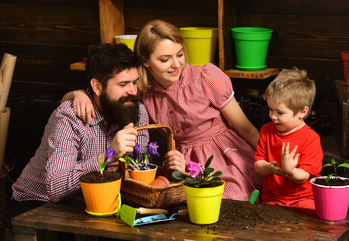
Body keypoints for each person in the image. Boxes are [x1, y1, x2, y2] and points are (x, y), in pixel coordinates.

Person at [64, 19, 262, 201]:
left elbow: (246, 128)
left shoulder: (205, 77)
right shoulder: (142, 90)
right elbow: (66, 103)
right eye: (165, 59)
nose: (176, 64)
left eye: (180, 54)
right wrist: (79, 93)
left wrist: (274, 163)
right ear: (146, 62)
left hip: (225, 158)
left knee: (228, 200)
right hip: (178, 164)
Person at [9, 43, 150, 221]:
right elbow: (56, 188)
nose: (133, 91)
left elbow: (137, 170)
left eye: (134, 82)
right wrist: (108, 155)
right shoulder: (69, 117)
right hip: (38, 203)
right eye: (123, 84)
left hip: (95, 201)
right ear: (97, 87)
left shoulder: (137, 111)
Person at [254, 68, 323, 209]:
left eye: (280, 112)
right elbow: (258, 164)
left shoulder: (311, 138)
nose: (273, 116)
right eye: (270, 109)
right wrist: (269, 167)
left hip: (303, 198)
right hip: (273, 198)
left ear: (302, 112)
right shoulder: (266, 131)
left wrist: (290, 171)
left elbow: (303, 176)